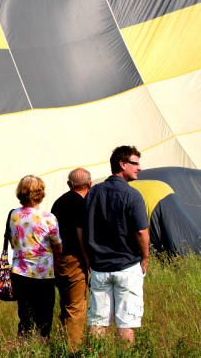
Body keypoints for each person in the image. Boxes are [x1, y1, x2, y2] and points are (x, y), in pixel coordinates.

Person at [77, 146, 149, 343]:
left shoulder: (92, 193)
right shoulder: (132, 195)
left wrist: (87, 257)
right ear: (122, 164)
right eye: (135, 163)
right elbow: (141, 231)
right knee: (126, 322)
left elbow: (80, 229)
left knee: (97, 320)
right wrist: (145, 257)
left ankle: (95, 356)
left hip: (99, 267)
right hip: (127, 266)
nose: (139, 168)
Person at [9, 175, 62, 340]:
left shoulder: (13, 215)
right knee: (44, 317)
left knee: (25, 317)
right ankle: (42, 346)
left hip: (20, 272)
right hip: (43, 274)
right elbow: (58, 247)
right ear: (40, 193)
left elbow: (11, 241)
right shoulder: (48, 218)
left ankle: (23, 347)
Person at [51, 168, 91, 349]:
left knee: (65, 304)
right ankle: (73, 349)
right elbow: (82, 236)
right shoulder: (84, 205)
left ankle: (62, 342)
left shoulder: (58, 203)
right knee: (76, 307)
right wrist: (88, 262)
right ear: (90, 185)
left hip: (58, 259)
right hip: (76, 258)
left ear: (69, 184)